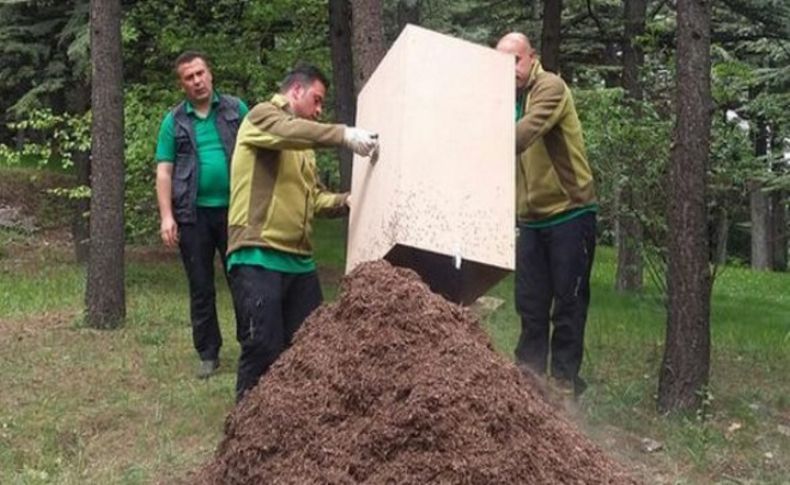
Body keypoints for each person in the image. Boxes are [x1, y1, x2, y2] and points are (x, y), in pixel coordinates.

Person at [227, 63, 378, 402]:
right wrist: (342, 134)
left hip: (299, 263)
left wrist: (346, 201)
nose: (319, 110)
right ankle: (245, 437)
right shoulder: (261, 117)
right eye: (317, 100)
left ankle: (298, 434)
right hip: (257, 254)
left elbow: (315, 197)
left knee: (312, 349)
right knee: (263, 347)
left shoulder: (303, 145)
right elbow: (287, 133)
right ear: (295, 91)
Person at [496, 33, 597, 398]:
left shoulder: (549, 87)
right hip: (531, 219)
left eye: (515, 62)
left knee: (568, 304)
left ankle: (564, 384)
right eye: (501, 65)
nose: (510, 72)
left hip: (569, 211)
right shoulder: (502, 98)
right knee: (530, 304)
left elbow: (521, 136)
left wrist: (472, 138)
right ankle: (529, 384)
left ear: (531, 58)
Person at [155, 51, 249, 379]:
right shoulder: (174, 121)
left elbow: (258, 152)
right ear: (182, 84)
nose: (197, 81)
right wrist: (167, 216)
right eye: (189, 77)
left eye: (200, 73)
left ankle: (250, 345)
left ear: (210, 74)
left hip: (236, 212)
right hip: (191, 216)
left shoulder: (237, 110)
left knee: (243, 280)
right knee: (201, 286)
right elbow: (164, 171)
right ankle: (208, 353)